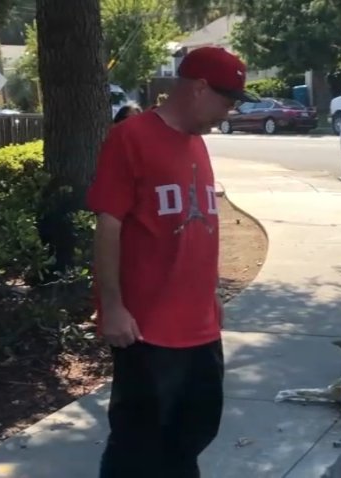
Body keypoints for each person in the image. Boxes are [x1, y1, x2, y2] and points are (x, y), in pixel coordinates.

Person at [86, 46, 259, 478]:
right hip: (147, 330)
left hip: (200, 326)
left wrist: (213, 293)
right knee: (137, 446)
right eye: (228, 100)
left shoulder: (197, 143)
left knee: (193, 433)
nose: (230, 111)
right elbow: (108, 226)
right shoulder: (131, 138)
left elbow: (199, 229)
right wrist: (113, 306)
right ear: (199, 89)